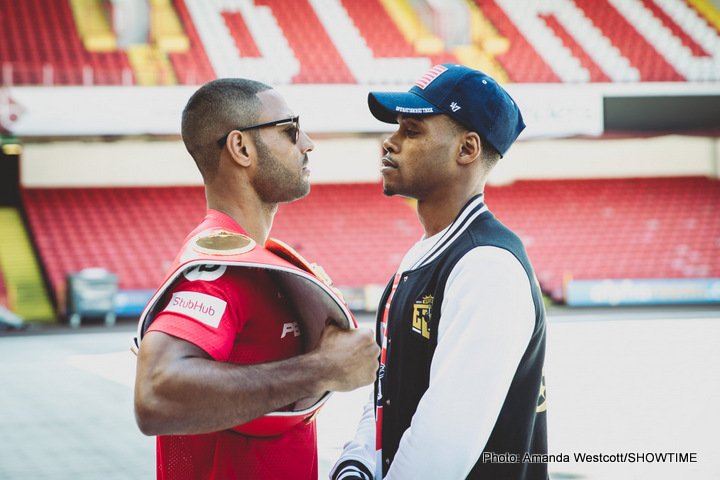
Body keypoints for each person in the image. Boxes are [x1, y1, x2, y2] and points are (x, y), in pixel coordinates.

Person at [133, 78, 380, 480]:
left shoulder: (260, 262)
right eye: (290, 130)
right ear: (241, 148)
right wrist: (321, 368)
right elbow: (155, 393)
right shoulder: (221, 269)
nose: (308, 144)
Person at [331, 64, 548, 480]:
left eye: (411, 131)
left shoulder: (487, 266)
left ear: (467, 149)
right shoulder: (427, 252)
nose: (388, 142)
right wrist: (356, 465)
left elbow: (440, 452)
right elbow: (387, 390)